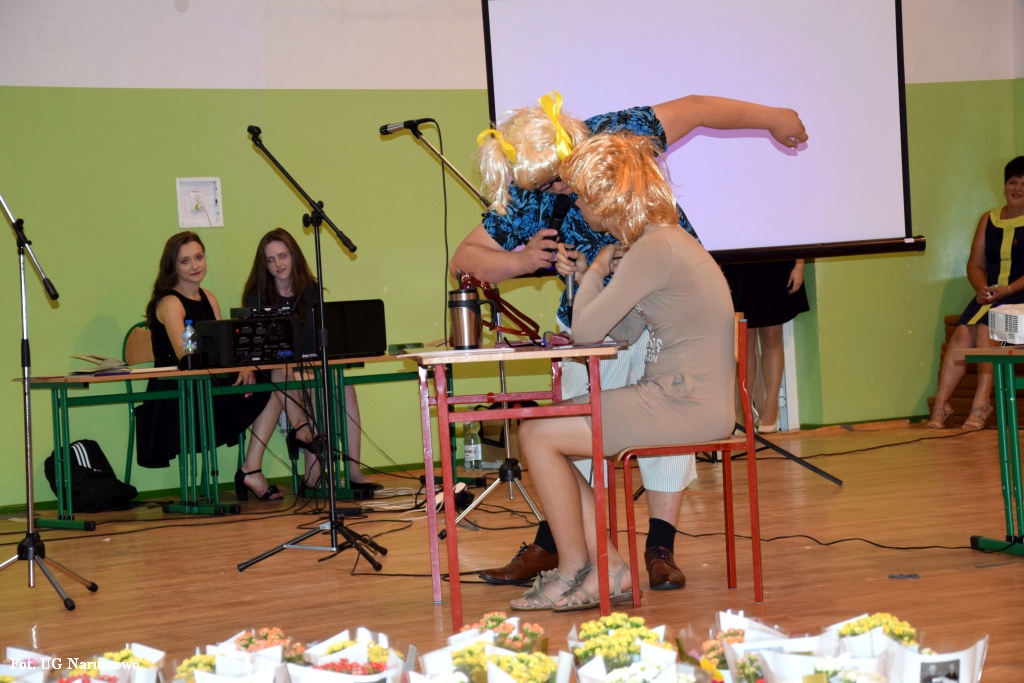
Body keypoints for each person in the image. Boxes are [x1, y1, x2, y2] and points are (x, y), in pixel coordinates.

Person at [450, 91, 806, 590]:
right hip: (600, 321)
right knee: (573, 435)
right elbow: (463, 260)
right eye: (547, 186)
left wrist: (774, 116)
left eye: (561, 180)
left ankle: (658, 547)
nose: (560, 192)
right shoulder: (530, 192)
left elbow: (696, 109)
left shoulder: (618, 138)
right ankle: (571, 548)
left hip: (663, 315)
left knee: (659, 429)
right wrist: (523, 261)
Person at [508, 131, 736, 611]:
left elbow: (586, 331)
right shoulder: (658, 244)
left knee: (537, 434)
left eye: (583, 197)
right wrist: (586, 278)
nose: (578, 206)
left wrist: (594, 270)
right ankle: (600, 567)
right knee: (538, 432)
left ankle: (583, 569)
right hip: (680, 397)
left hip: (683, 403)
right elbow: (625, 331)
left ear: (606, 199)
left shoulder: (656, 247)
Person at [241, 228, 382, 493]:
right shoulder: (257, 295)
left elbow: (319, 340)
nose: (278, 264)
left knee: (345, 387)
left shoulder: (310, 290)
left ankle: (353, 471)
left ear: (294, 255)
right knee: (286, 372)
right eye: (270, 260)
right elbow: (255, 347)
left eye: (283, 256)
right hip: (274, 373)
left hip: (307, 369)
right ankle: (308, 451)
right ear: (264, 265)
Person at [135, 231, 274, 498]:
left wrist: (243, 366)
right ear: (173, 266)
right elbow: (186, 356)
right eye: (185, 261)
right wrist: (230, 367)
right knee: (263, 382)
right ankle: (250, 471)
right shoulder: (170, 302)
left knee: (274, 377)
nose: (195, 265)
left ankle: (251, 467)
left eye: (199, 257)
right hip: (176, 392)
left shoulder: (208, 297)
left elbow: (225, 348)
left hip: (209, 383)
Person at [928, 156, 1024, 430]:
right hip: (991, 298)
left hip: (1019, 299)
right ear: (1004, 185)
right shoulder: (988, 219)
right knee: (961, 332)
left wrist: (1007, 290)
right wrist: (982, 288)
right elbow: (975, 264)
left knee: (986, 328)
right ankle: (942, 405)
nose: (1017, 188)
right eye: (1012, 182)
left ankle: (981, 404)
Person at [721, 259, 809, 433]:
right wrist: (719, 270)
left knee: (771, 337)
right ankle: (744, 413)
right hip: (739, 266)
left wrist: (799, 266)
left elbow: (794, 237)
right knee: (744, 341)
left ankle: (771, 411)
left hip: (773, 263)